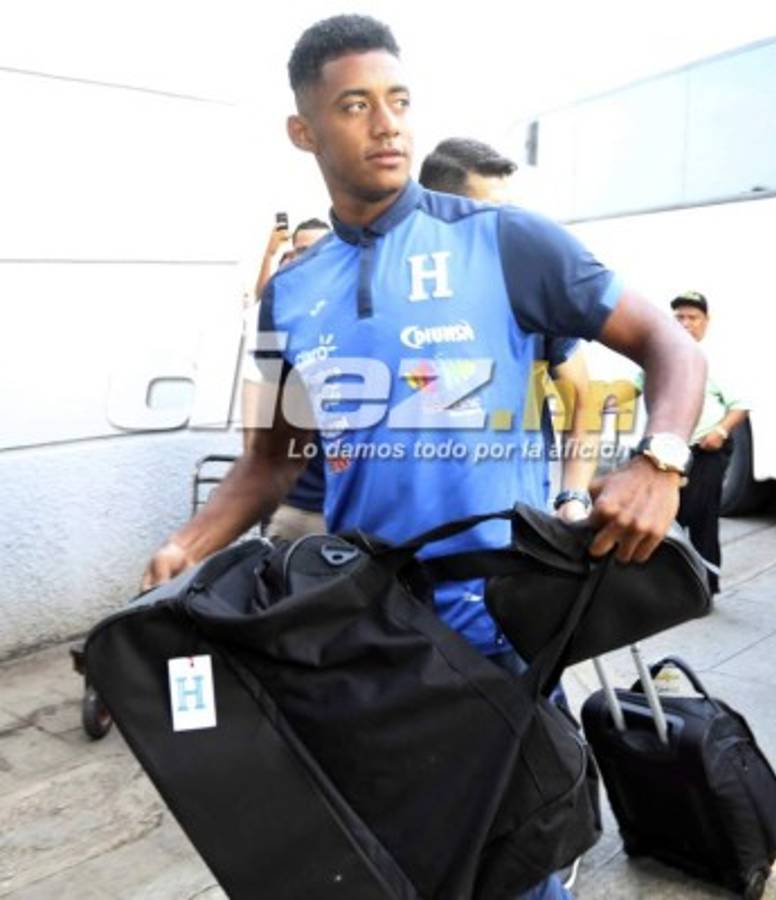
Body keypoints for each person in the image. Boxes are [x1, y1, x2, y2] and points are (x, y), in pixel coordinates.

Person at [144, 15, 706, 898]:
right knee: (400, 856)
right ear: (303, 131)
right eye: (354, 105)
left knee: (513, 865)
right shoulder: (290, 293)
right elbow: (270, 459)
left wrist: (658, 458)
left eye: (398, 101)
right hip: (366, 622)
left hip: (498, 622)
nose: (387, 125)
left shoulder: (502, 240)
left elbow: (667, 343)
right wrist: (190, 543)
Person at [419, 137, 599, 521]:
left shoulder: (531, 291)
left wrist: (574, 495)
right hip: (411, 533)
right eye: (490, 214)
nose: (509, 228)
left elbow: (583, 401)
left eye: (509, 212)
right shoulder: (393, 290)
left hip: (514, 529)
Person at [637, 291, 746, 593]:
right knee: (660, 514)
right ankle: (658, 582)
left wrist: (720, 432)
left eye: (692, 317)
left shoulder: (715, 361)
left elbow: (740, 405)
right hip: (664, 452)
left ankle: (704, 585)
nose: (685, 323)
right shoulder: (658, 357)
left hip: (705, 451)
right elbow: (631, 387)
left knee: (700, 516)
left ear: (706, 322)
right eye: (679, 317)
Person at [245, 217, 331, 539]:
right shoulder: (278, 303)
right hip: (294, 501)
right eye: (302, 251)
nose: (311, 259)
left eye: (320, 250)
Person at [253, 216, 331, 301]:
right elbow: (263, 299)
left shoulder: (339, 280)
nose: (310, 256)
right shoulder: (290, 281)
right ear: (293, 254)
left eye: (318, 249)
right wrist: (269, 255)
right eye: (303, 251)